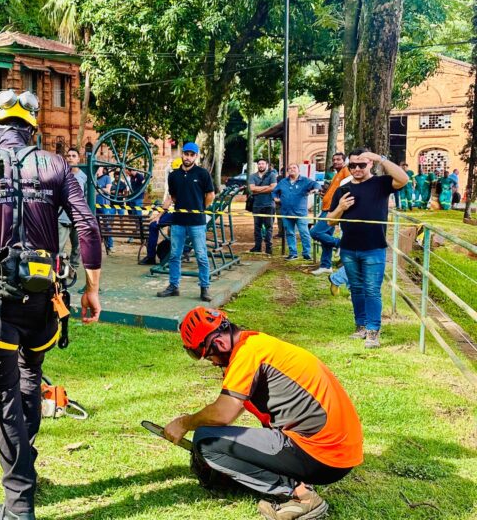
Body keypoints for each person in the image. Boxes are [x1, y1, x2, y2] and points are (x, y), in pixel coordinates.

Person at [0, 89, 102, 520]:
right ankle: (25, 471)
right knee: (31, 375)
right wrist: (92, 288)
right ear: (32, 127)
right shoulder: (57, 165)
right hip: (46, 298)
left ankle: (19, 507)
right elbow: (87, 225)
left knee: (5, 390)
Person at [163, 307, 363, 520]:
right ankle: (289, 482)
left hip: (324, 456)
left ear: (218, 344)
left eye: (207, 356)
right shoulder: (257, 343)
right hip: (338, 452)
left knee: (205, 441)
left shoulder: (247, 353)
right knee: (216, 436)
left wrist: (185, 422)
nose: (212, 362)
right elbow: (237, 408)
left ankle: (299, 495)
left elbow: (224, 412)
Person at [327, 148, 408, 348]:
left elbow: (403, 179)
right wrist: (340, 208)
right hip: (348, 249)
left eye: (361, 165)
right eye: (352, 165)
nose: (356, 169)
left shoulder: (380, 184)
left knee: (372, 290)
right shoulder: (342, 189)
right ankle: (360, 326)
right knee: (356, 289)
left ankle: (373, 330)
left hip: (374, 248)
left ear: (369, 164)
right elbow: (330, 221)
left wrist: (381, 159)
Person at [152, 142, 216, 302]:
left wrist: (200, 208)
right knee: (174, 255)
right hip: (178, 222)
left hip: (197, 222)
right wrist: (161, 212)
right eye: (186, 154)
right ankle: (174, 286)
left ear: (196, 156)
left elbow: (210, 195)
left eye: (191, 155)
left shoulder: (202, 174)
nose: (188, 157)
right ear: (182, 154)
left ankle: (204, 288)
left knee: (201, 256)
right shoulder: (174, 175)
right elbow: (172, 197)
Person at [309, 153, 350, 274]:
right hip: (327, 207)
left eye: (339, 159)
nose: (336, 162)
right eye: (334, 160)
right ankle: (326, 265)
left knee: (315, 232)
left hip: (332, 210)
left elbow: (349, 186)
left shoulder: (345, 170)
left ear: (344, 161)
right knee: (325, 238)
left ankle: (340, 244)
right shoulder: (337, 174)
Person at [139, 158, 184, 266]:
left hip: (176, 213)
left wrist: (158, 216)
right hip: (182, 213)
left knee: (153, 225)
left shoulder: (176, 180)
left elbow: (169, 199)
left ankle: (151, 257)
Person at [273, 163, 319, 261]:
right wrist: (275, 198)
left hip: (300, 213)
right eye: (289, 168)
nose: (291, 169)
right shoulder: (283, 182)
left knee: (304, 233)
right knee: (289, 233)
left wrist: (315, 189)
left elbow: (316, 184)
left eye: (294, 167)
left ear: (298, 170)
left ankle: (306, 253)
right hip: (286, 212)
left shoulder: (305, 181)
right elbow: (274, 191)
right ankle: (293, 253)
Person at [58, 147, 88, 269]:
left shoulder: (84, 176)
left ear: (78, 159)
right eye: (68, 155)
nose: (70, 157)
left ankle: (73, 268)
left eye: (73, 156)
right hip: (62, 217)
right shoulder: (61, 175)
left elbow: (87, 196)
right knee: (58, 246)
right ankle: (57, 269)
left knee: (78, 246)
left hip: (78, 217)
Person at [247, 159, 277, 255]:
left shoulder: (271, 175)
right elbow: (252, 188)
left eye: (263, 164)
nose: (261, 165)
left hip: (269, 205)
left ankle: (269, 247)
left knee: (269, 227)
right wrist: (266, 188)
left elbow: (273, 187)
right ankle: (257, 247)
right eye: (259, 164)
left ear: (266, 165)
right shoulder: (252, 176)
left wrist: (258, 190)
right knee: (257, 227)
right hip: (256, 205)